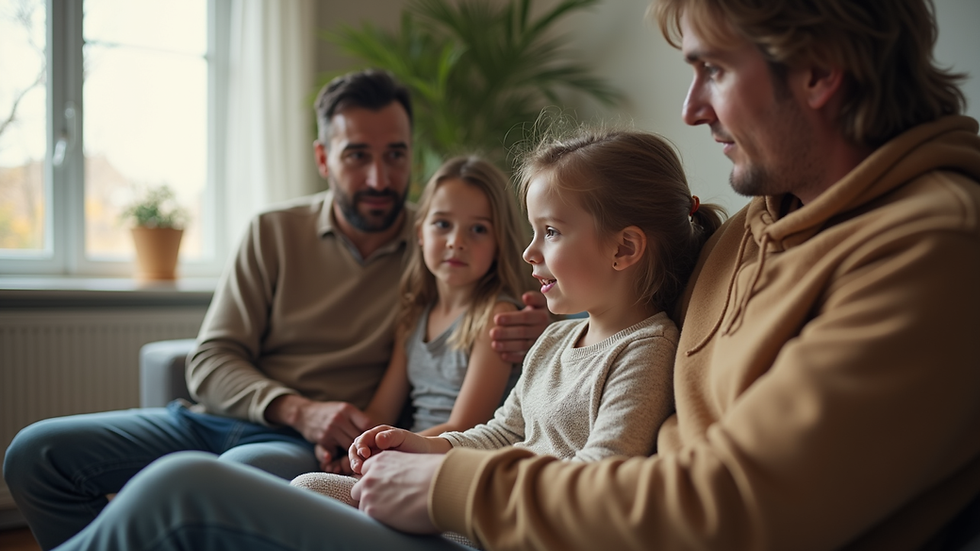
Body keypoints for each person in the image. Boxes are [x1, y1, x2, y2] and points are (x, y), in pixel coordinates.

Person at [38, 0, 980, 548]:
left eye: (711, 70)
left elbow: (730, 506)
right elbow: (615, 307)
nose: (691, 108)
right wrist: (543, 343)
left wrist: (449, 482)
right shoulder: (758, 227)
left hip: (526, 527)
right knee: (202, 476)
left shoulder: (929, 249)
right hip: (515, 503)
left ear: (817, 73)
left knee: (180, 496)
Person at [2, 69, 549, 551]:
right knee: (36, 454)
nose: (380, 179)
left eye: (396, 155)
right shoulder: (274, 231)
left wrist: (540, 326)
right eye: (358, 155)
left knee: (221, 484)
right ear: (323, 158)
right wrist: (297, 408)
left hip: (300, 448)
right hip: (217, 418)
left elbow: (533, 284)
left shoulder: (435, 238)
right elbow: (211, 360)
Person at [305, 130, 722, 512]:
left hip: (512, 520)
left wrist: (450, 484)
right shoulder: (554, 339)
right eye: (533, 231)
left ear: (624, 248)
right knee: (310, 488)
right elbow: (500, 435)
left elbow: (601, 474)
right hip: (480, 500)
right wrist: (419, 448)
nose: (530, 252)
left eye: (551, 232)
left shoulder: (646, 350)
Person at [291, 154, 534, 484]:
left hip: (455, 462)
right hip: (406, 456)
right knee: (310, 483)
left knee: (309, 486)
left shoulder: (495, 316)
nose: (456, 242)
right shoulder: (414, 316)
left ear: (498, 242)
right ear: (420, 233)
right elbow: (380, 412)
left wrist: (384, 450)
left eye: (478, 229)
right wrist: (350, 444)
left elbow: (465, 427)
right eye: (442, 224)